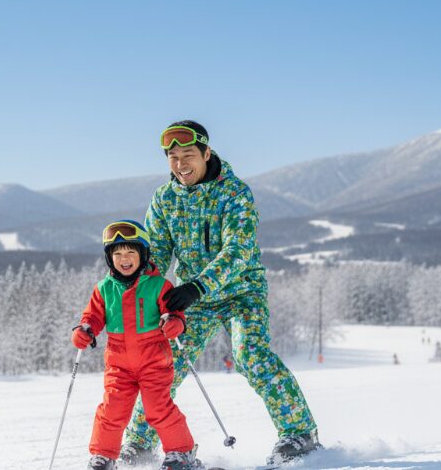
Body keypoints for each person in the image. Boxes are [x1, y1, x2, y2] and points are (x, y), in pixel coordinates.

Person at [119, 121, 320, 466]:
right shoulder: (164, 199)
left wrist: (197, 286)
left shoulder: (234, 192)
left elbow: (239, 251)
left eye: (188, 155)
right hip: (191, 300)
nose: (180, 164)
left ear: (206, 153)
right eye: (173, 157)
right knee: (163, 365)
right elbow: (158, 254)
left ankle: (299, 433)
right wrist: (143, 289)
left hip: (240, 292)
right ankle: (140, 442)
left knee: (251, 356)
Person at [71, 220, 203, 470]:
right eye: (117, 253)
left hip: (154, 360)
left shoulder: (158, 285)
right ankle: (104, 456)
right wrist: (84, 331)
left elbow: (173, 313)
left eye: (131, 252)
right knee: (112, 409)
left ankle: (181, 452)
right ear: (110, 258)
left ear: (143, 255)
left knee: (157, 409)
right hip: (118, 363)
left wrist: (174, 321)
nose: (125, 258)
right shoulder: (104, 289)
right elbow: (92, 317)